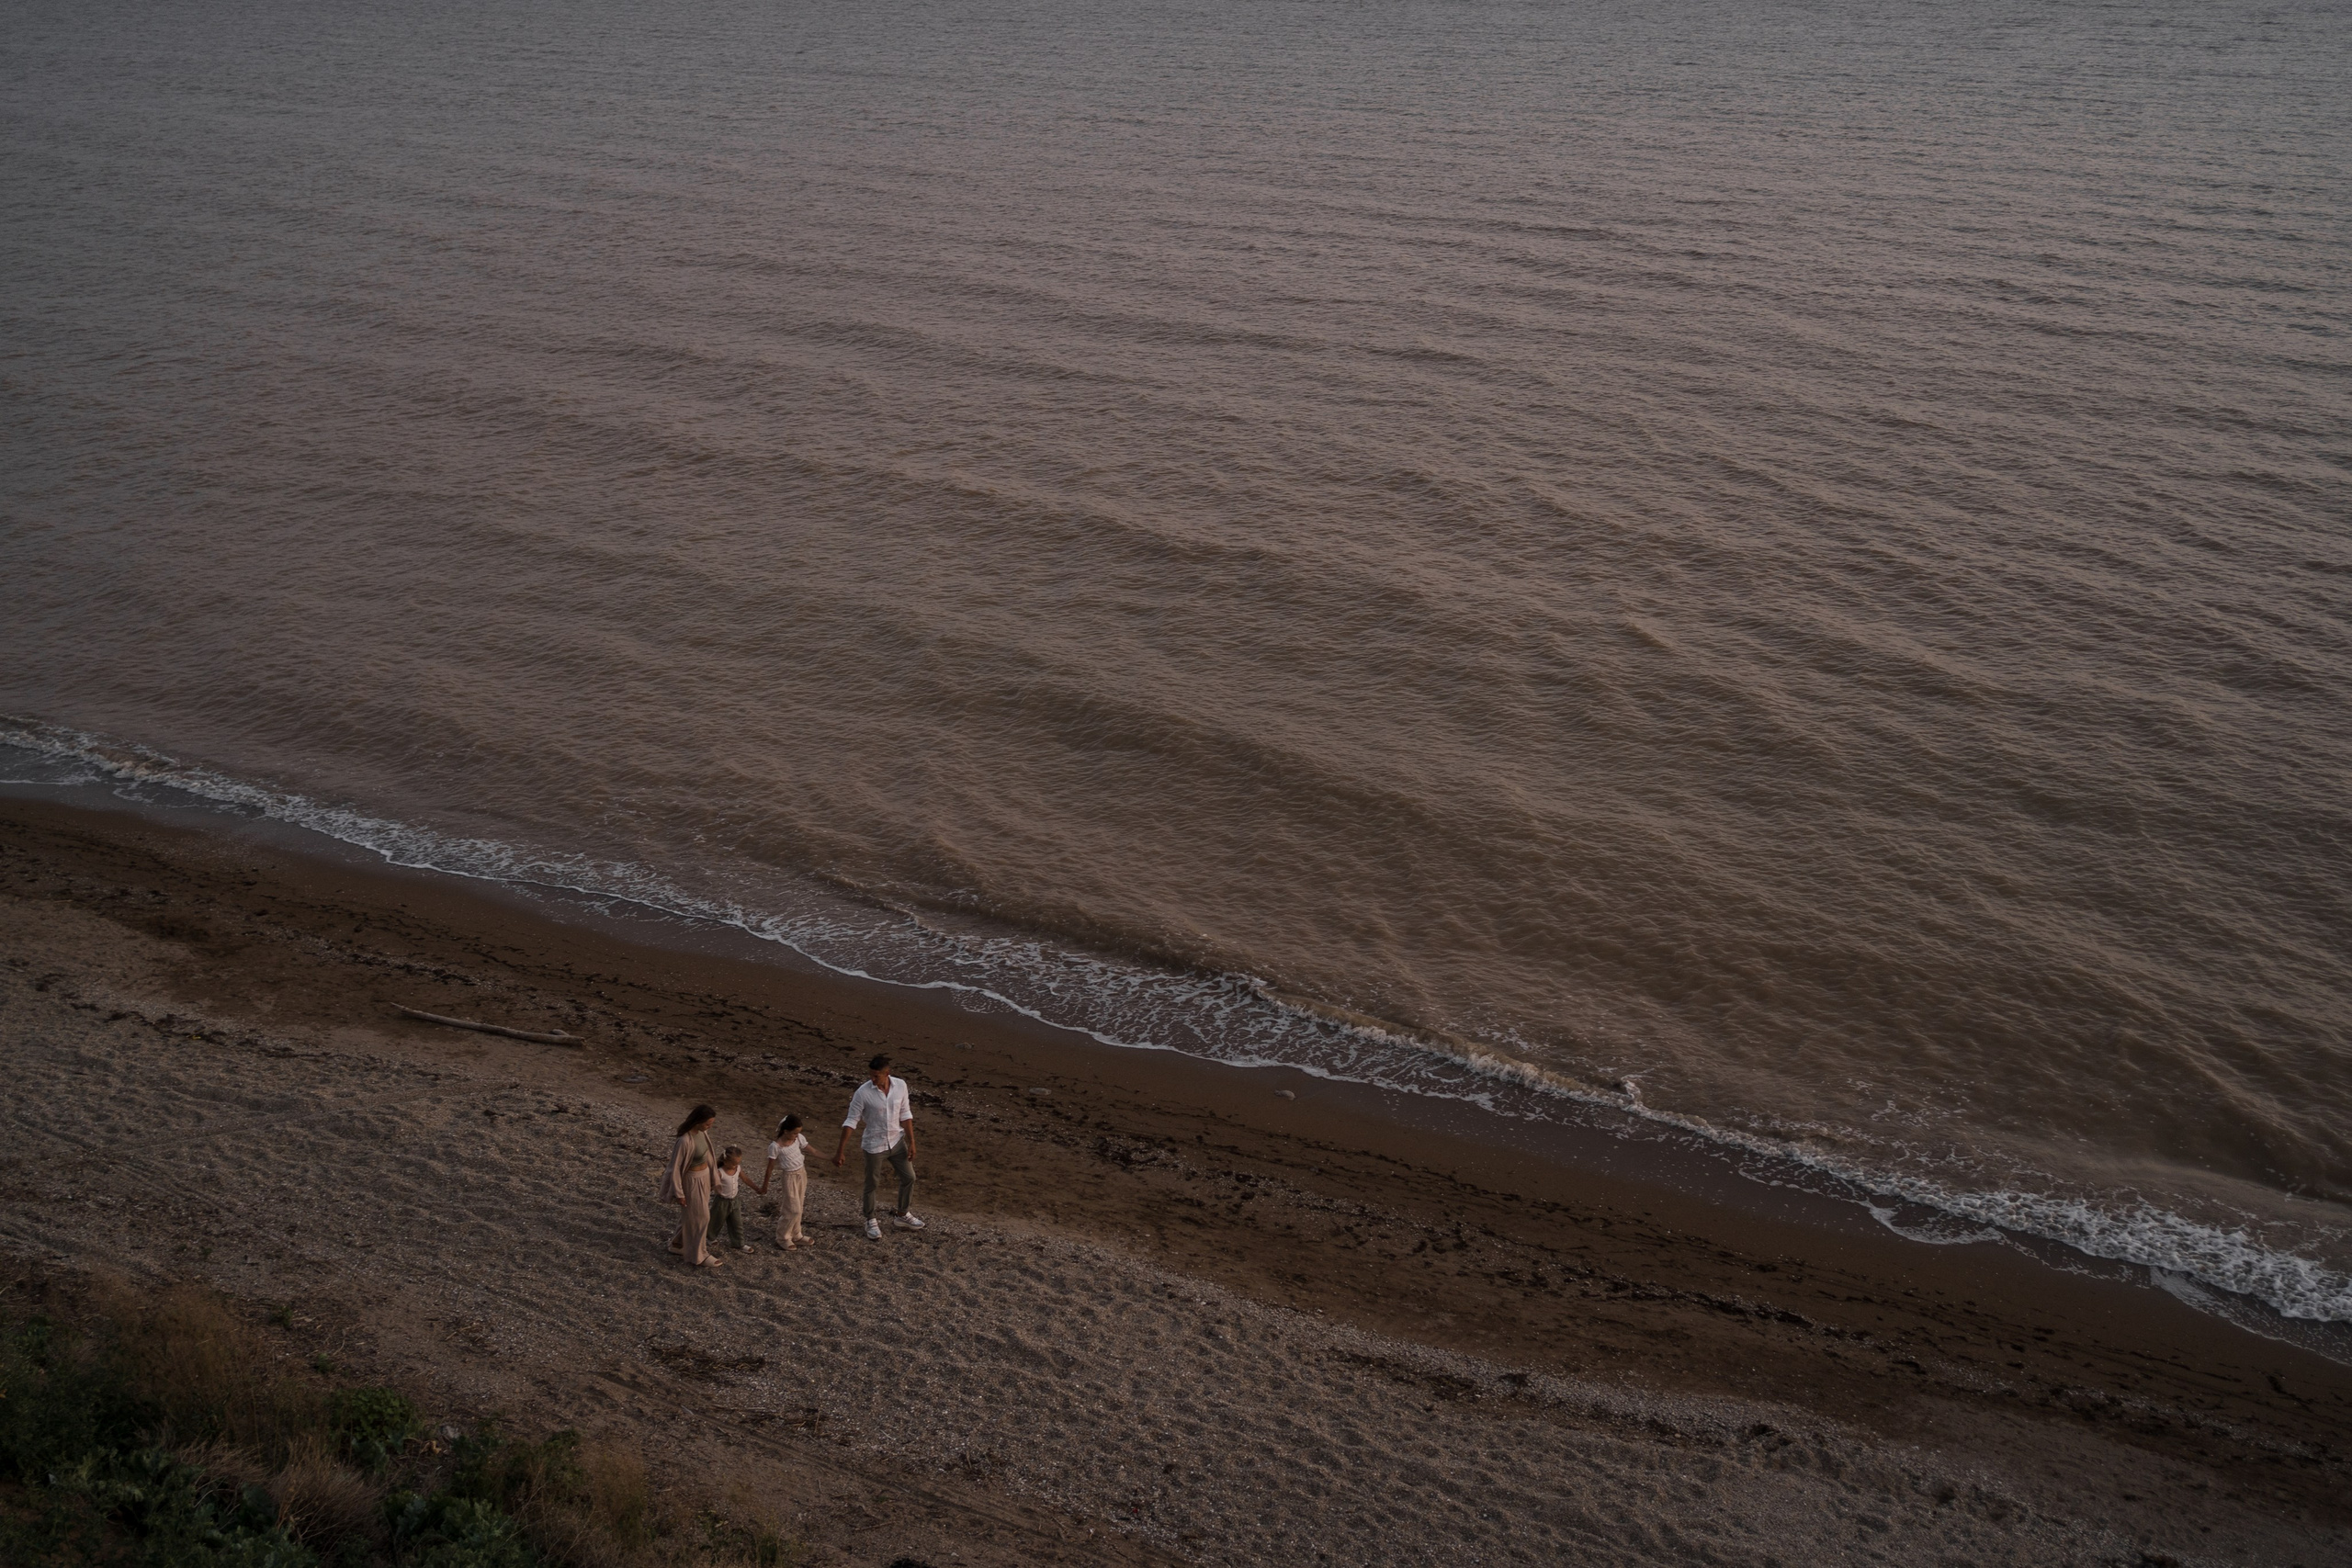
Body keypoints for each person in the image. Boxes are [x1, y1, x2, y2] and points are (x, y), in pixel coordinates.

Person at [834, 1053, 922, 1240]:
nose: (872, 1079)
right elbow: (851, 1121)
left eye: (876, 1076)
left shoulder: (901, 1086)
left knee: (909, 1177)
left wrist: (912, 1142)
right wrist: (840, 1150)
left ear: (887, 1073)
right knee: (872, 1183)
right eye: (871, 1075)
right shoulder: (863, 1093)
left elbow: (905, 1114)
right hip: (874, 1145)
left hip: (897, 1141)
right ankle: (870, 1219)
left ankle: (902, 1215)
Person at [662, 1104, 723, 1268]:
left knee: (693, 1215)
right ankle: (698, 1255)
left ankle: (677, 1244)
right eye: (708, 1124)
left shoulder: (703, 1134)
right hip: (691, 1181)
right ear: (698, 1121)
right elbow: (675, 1168)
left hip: (704, 1177)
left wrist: (714, 1174)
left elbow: (708, 1155)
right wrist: (679, 1193)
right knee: (702, 1218)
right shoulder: (684, 1141)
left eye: (711, 1124)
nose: (709, 1127)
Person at [759, 1115, 812, 1248]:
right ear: (786, 1131)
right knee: (792, 1209)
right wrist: (765, 1185)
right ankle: (782, 1237)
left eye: (798, 1133)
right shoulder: (776, 1146)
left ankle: (796, 1234)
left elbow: (813, 1150)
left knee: (800, 1205)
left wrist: (831, 1158)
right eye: (794, 1133)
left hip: (801, 1173)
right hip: (789, 1177)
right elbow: (770, 1167)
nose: (796, 1136)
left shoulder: (798, 1139)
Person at [710, 1146, 750, 1253]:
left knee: (737, 1223)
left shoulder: (737, 1169)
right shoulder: (720, 1173)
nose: (736, 1166)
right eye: (734, 1164)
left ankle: (739, 1243)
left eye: (738, 1163)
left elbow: (745, 1179)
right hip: (721, 1201)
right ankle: (710, 1238)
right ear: (725, 1161)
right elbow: (711, 1186)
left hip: (735, 1201)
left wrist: (757, 1189)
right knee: (716, 1221)